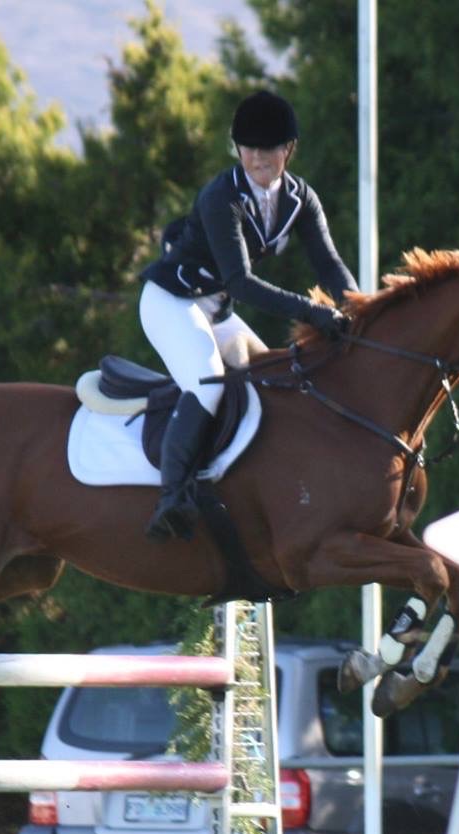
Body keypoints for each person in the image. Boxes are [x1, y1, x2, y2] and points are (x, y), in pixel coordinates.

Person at [130, 89, 360, 542]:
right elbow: (240, 282)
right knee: (207, 380)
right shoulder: (222, 196)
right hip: (171, 302)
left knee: (271, 376)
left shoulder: (300, 198)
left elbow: (329, 263)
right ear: (238, 149)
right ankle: (171, 499)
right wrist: (313, 312)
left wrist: (357, 306)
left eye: (270, 147)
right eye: (250, 148)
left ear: (288, 150)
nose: (259, 157)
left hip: (213, 309)